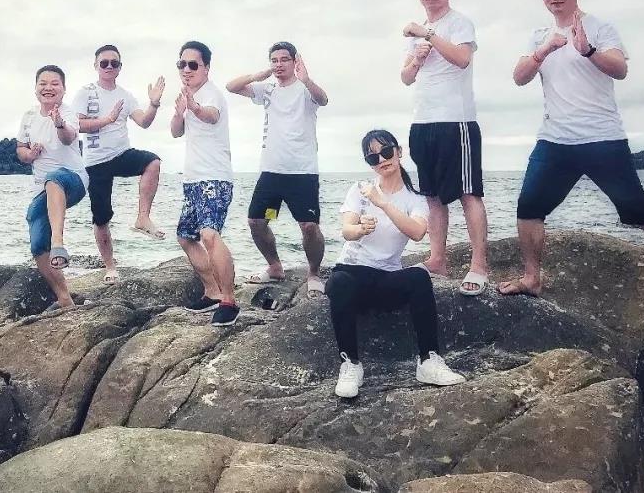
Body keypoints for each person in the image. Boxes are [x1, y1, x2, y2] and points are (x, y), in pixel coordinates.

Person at [500, 0, 644, 316]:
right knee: (529, 207)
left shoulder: (599, 28)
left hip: (602, 139)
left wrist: (588, 50)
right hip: (555, 140)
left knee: (640, 209)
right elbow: (519, 77)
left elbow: (620, 69)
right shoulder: (539, 35)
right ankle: (532, 278)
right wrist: (543, 51)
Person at [326, 129, 466, 398]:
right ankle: (351, 364)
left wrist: (383, 203)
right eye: (373, 157)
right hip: (352, 273)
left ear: (399, 152)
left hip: (385, 277)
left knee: (419, 277)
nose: (381, 159)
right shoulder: (360, 190)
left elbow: (417, 232)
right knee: (339, 282)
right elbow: (346, 230)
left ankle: (428, 361)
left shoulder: (415, 198)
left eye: (386, 152)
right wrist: (360, 229)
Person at [399, 0, 491, 296]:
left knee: (468, 193)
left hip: (457, 121)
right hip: (422, 122)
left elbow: (462, 59)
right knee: (432, 196)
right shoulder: (421, 30)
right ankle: (437, 259)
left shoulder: (458, 23)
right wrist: (418, 58)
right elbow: (406, 78)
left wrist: (428, 36)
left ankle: (479, 265)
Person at [226, 41, 329, 296]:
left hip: (302, 173)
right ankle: (274, 267)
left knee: (308, 226)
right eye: (274, 60)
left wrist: (307, 80)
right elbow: (231, 87)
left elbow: (323, 99)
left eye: (284, 59)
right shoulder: (267, 89)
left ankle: (314, 273)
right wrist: (258, 75)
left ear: (295, 62)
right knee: (258, 221)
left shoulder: (305, 89)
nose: (279, 64)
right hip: (272, 172)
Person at [71, 44, 166, 284]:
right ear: (96, 65)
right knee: (101, 218)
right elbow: (77, 125)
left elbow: (144, 122)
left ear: (120, 67)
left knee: (153, 162)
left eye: (114, 63)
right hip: (95, 161)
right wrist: (108, 119)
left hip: (122, 153)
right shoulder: (85, 92)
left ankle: (142, 218)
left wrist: (154, 104)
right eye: (104, 63)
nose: (109, 66)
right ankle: (110, 266)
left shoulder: (125, 95)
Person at [171, 41, 240, 326]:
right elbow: (176, 132)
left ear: (206, 68)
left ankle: (229, 301)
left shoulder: (212, 94)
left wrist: (194, 106)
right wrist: (179, 111)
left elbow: (211, 116)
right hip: (192, 180)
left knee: (209, 235)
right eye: (182, 64)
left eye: (193, 64)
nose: (186, 69)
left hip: (215, 178)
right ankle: (212, 291)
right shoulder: (187, 96)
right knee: (186, 236)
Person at [16, 65, 88, 309]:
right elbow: (20, 150)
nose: (48, 88)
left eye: (55, 83)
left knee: (54, 178)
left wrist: (58, 123)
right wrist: (29, 154)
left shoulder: (68, 113)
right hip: (42, 189)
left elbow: (69, 137)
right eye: (43, 83)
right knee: (37, 243)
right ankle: (65, 298)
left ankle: (59, 242)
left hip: (74, 180)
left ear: (64, 89)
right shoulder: (28, 116)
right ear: (35, 88)